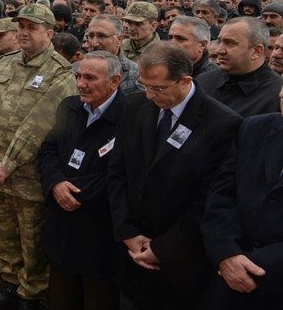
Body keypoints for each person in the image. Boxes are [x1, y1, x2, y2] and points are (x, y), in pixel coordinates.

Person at [106, 41, 241, 309]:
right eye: (145, 86)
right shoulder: (134, 106)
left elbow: (209, 198)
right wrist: (127, 232)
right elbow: (117, 172)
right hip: (130, 253)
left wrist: (163, 248)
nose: (149, 95)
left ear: (184, 81)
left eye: (157, 88)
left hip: (180, 262)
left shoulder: (222, 124)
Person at [0, 4, 78, 310]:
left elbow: (39, 124)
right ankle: (9, 285)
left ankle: (30, 295)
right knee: (3, 234)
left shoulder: (60, 73)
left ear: (50, 33)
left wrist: (8, 163)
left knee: (31, 240)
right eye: (21, 27)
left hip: (28, 176)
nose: (23, 33)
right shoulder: (5, 64)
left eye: (32, 28)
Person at [38, 51, 125, 310]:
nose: (81, 84)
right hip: (62, 222)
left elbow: (121, 173)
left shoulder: (130, 116)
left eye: (90, 77)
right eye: (78, 76)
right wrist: (56, 183)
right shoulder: (69, 106)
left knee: (96, 297)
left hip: (97, 229)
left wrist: (75, 191)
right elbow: (48, 149)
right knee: (61, 295)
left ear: (115, 81)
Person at [201, 89, 283, 309]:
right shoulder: (255, 128)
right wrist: (226, 252)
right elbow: (221, 194)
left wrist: (253, 266)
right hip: (225, 283)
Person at [197, 17, 282, 117]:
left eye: (230, 43)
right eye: (220, 41)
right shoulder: (204, 81)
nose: (220, 50)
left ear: (256, 51)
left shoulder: (277, 95)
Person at [86, 15, 141, 94]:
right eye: (91, 36)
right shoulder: (75, 71)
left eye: (102, 36)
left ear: (119, 39)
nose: (94, 43)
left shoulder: (136, 74)